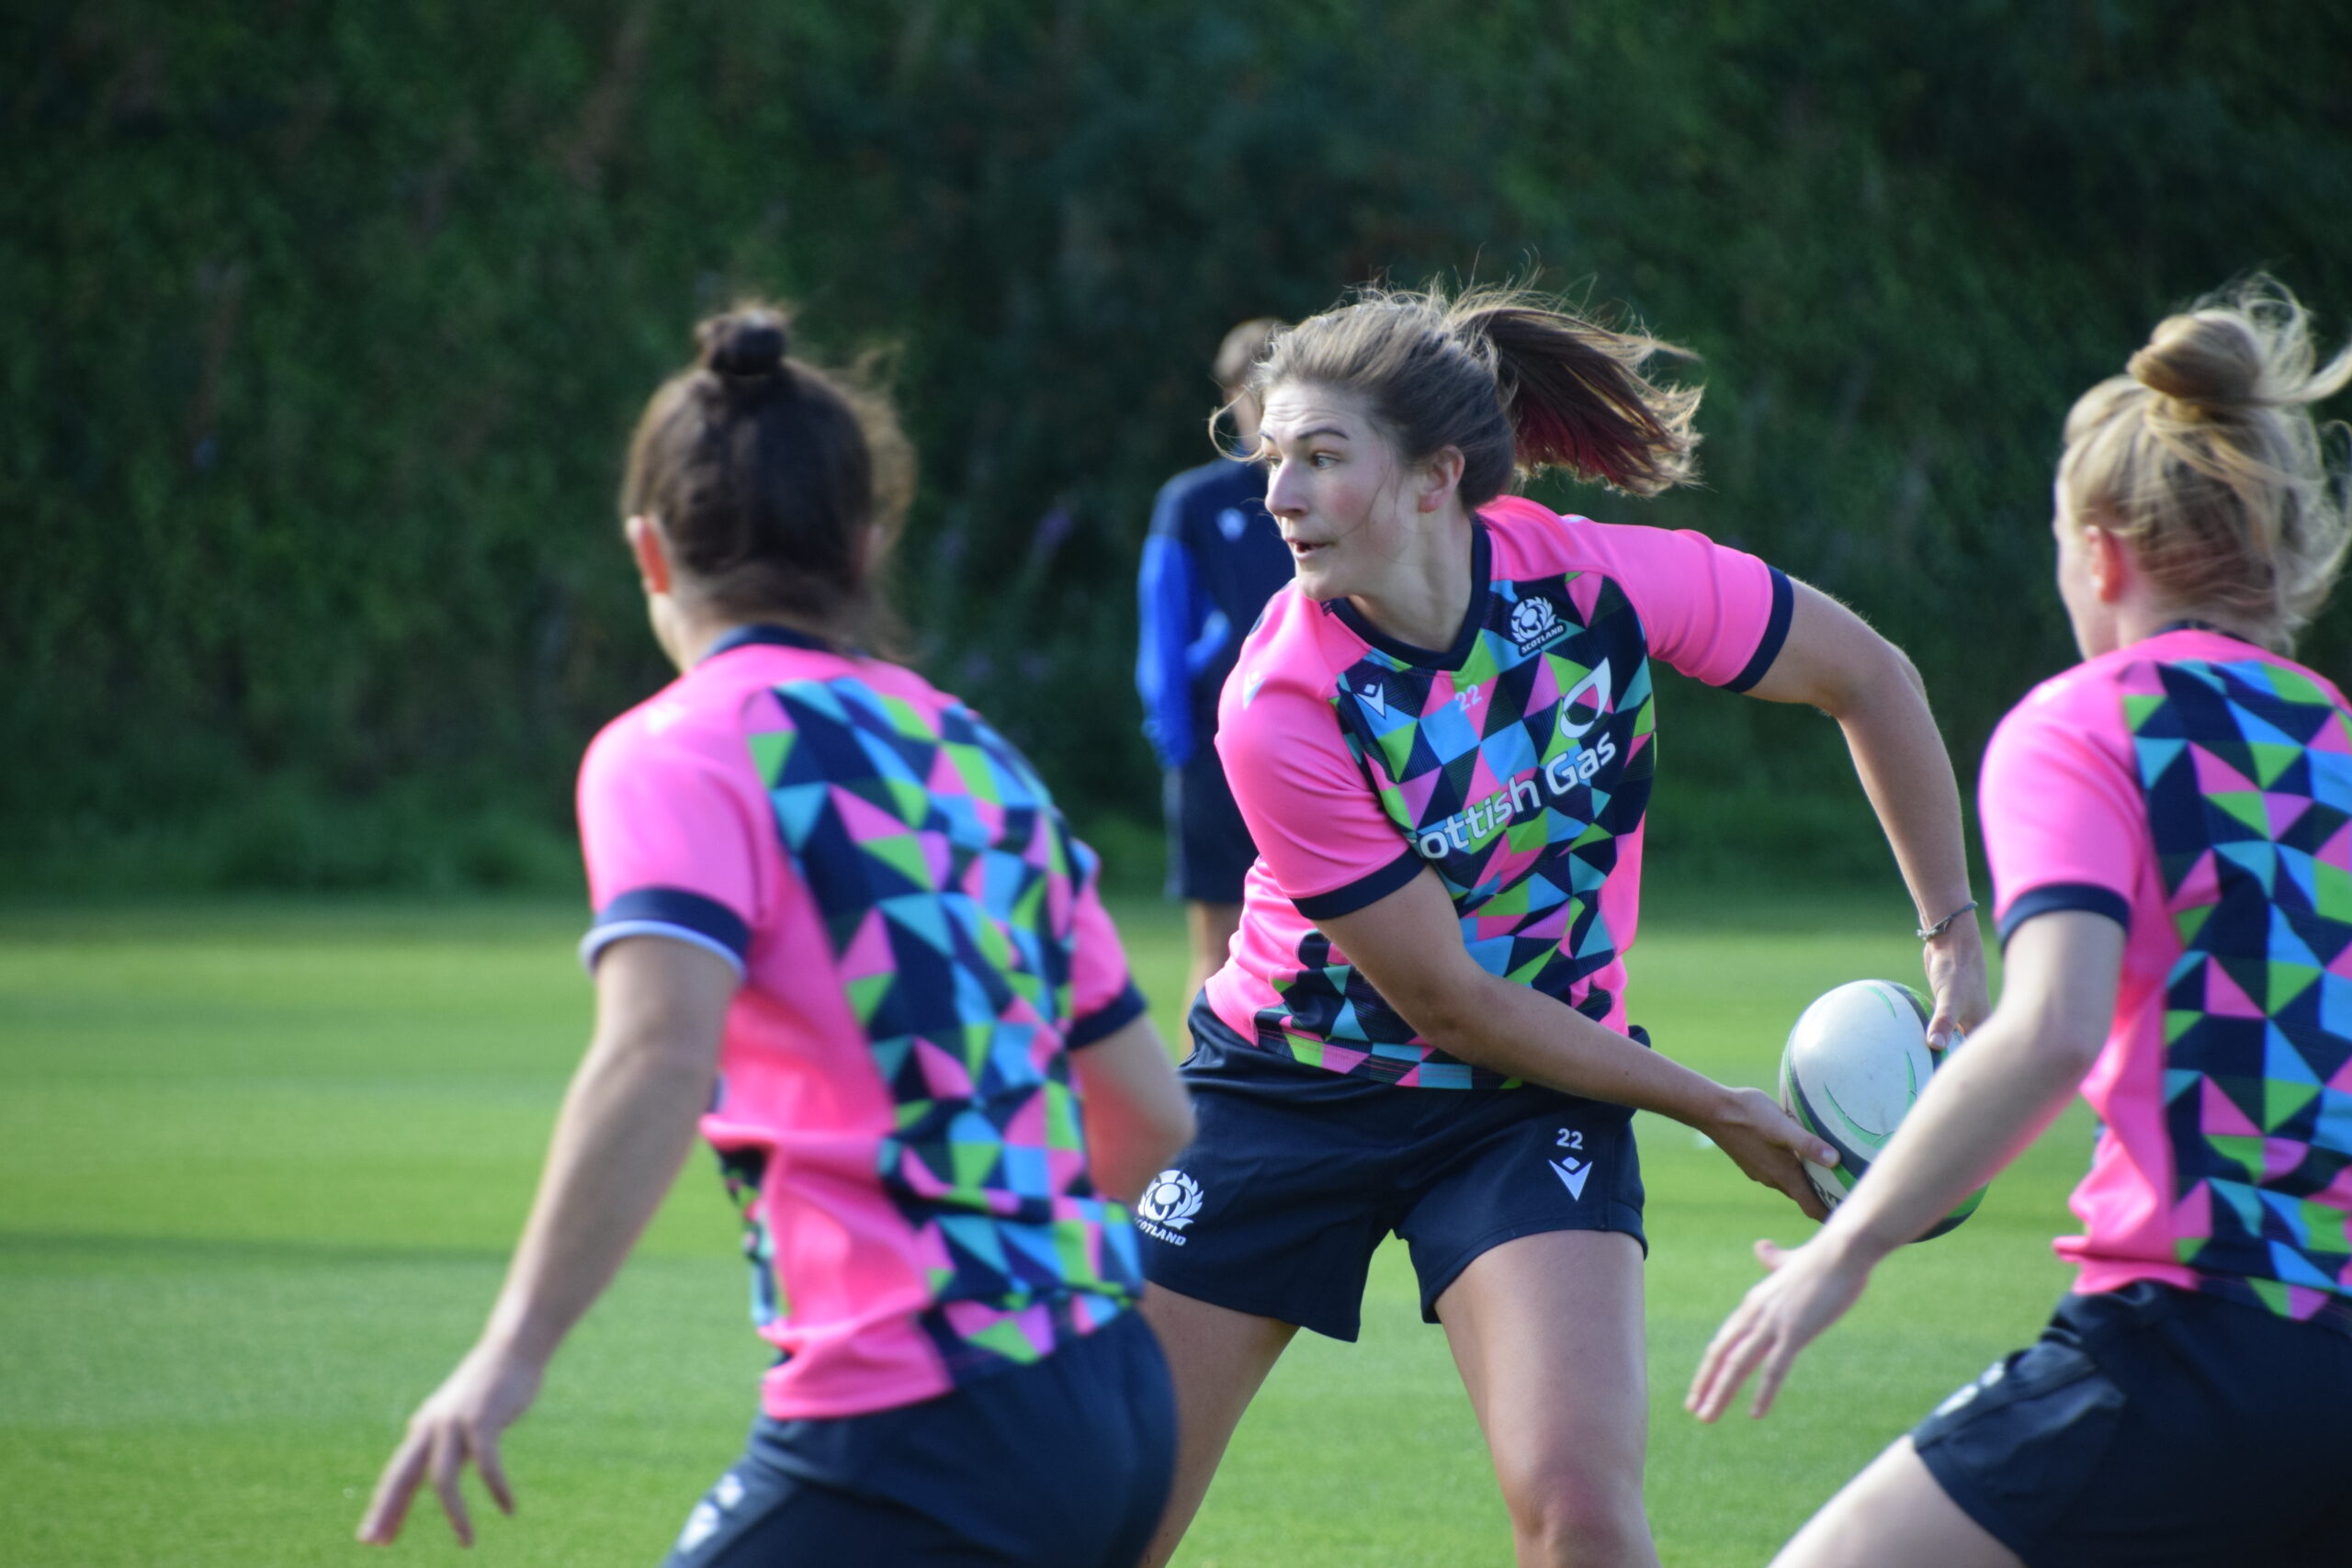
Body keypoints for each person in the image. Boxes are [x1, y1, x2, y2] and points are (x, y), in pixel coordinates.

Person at [1133, 284, 1991, 1568]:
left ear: (1434, 476)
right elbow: (1451, 1002)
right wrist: (1718, 1103)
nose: (1279, 497)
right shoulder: (1280, 702)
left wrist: (1957, 947)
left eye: (1319, 457)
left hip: (1524, 1097)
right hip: (1282, 1089)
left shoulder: (1601, 585)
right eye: (1272, 460)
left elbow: (1868, 675)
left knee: (1581, 1514)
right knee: (1105, 1510)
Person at [356, 305, 1194, 1568]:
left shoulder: (680, 748)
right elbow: (1151, 1117)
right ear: (866, 545)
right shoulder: (976, 755)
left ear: (650, 552)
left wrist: (510, 1350)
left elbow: (654, 1056)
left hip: (918, 1419)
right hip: (1115, 1394)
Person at [1688, 279, 2352, 1567]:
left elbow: (2051, 1023)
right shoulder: (2333, 739)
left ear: (2098, 548)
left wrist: (1850, 1245)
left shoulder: (2086, 719)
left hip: (2192, 1335)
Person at [1135, 318, 1296, 1003]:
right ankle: (1201, 1107)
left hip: (1319, 742)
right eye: (1254, 388)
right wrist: (1180, 743)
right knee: (1219, 945)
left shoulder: (1333, 488)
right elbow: (1163, 628)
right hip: (1214, 746)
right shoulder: (1192, 501)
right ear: (1230, 396)